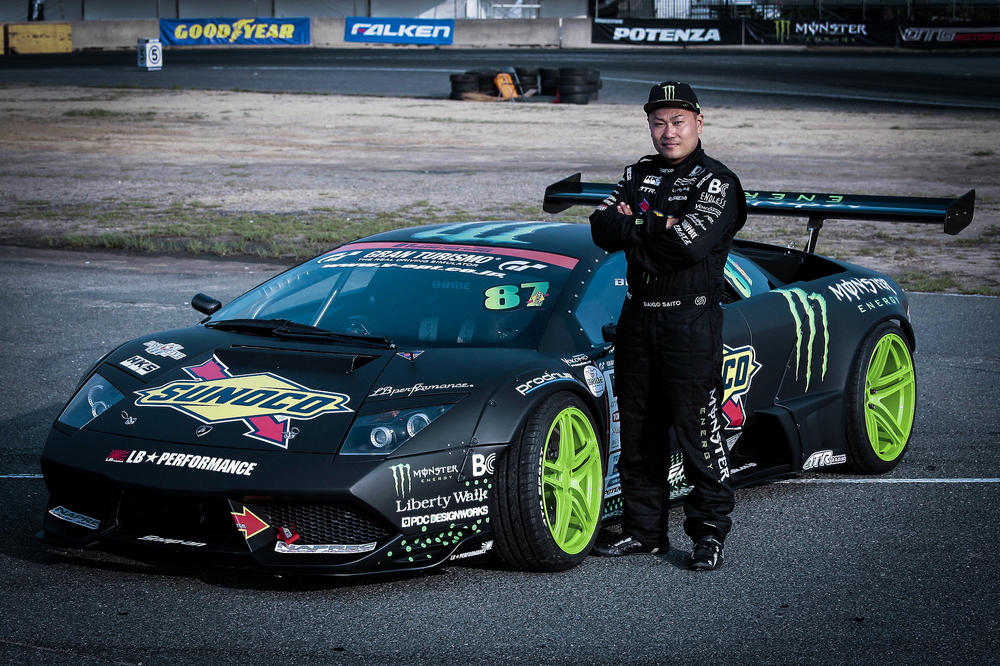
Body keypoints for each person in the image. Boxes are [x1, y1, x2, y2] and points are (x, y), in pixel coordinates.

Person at [589, 81, 746, 570]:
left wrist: (636, 225)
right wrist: (660, 223)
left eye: (677, 121)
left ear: (699, 123)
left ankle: (709, 533)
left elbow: (689, 248)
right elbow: (600, 228)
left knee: (699, 432)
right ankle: (644, 531)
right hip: (638, 317)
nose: (668, 131)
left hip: (690, 317)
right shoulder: (637, 171)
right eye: (659, 122)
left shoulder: (717, 182)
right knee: (638, 433)